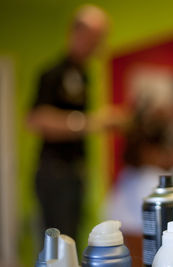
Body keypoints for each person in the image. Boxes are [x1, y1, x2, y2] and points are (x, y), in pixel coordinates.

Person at [27, 5, 117, 239]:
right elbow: (36, 119)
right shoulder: (53, 74)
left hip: (76, 173)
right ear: (77, 33)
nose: (98, 45)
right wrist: (89, 123)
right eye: (95, 38)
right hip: (54, 173)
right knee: (56, 244)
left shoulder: (84, 75)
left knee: (73, 239)